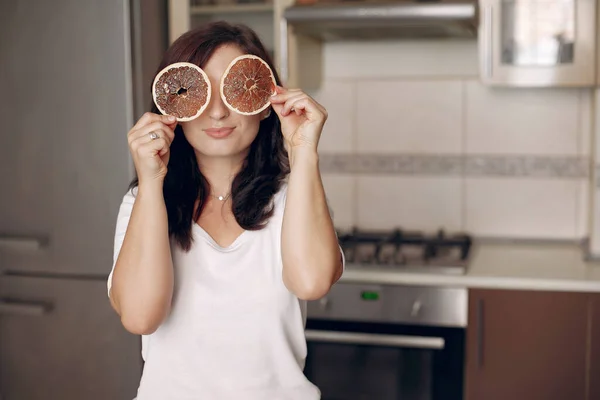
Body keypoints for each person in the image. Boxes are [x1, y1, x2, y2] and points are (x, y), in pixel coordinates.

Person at [107, 21, 344, 399]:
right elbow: (139, 316)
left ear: (267, 104)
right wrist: (151, 182)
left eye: (235, 90)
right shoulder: (142, 204)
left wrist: (303, 151)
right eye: (195, 92)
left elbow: (311, 282)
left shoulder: (293, 196)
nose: (217, 112)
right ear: (172, 109)